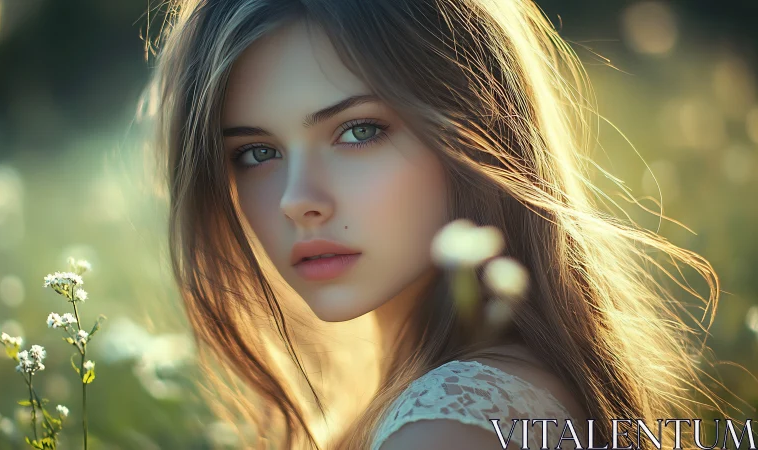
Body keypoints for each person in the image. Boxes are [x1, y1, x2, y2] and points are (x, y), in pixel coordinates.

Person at [142, 0, 725, 448]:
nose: (297, 200)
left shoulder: (443, 428)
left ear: (478, 124)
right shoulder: (487, 398)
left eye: (359, 131)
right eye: (256, 152)